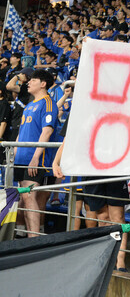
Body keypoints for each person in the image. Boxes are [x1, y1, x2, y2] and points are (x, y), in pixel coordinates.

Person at [13, 69, 58, 237]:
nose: (28, 82)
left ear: (43, 83)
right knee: (24, 199)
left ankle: (34, 240)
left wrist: (35, 157)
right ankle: (23, 237)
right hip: (20, 159)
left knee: (30, 198)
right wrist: (14, 154)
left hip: (34, 160)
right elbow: (21, 133)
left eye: (32, 80)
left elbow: (46, 132)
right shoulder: (29, 105)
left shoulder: (47, 103)